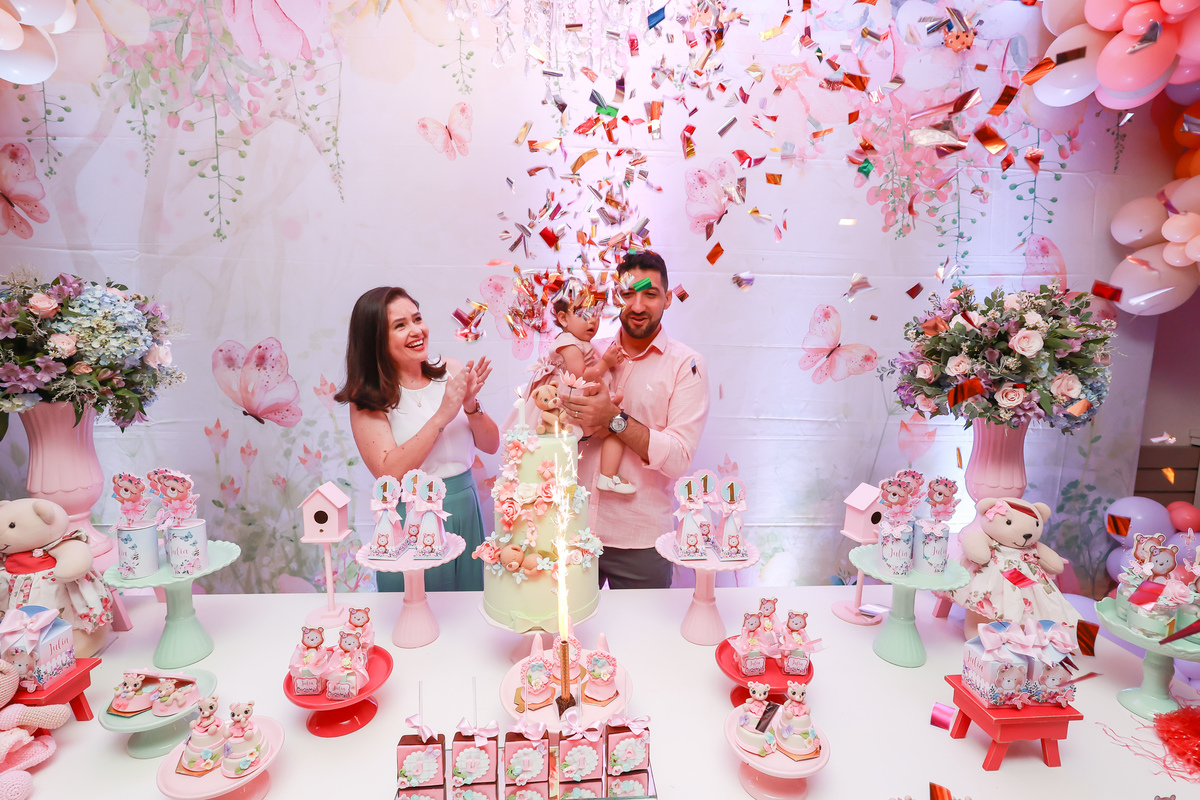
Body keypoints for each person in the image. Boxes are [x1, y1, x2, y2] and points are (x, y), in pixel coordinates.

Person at [562, 252, 710, 589]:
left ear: (668, 299)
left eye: (650, 294)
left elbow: (677, 459)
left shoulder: (687, 365)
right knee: (566, 637)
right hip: (573, 530)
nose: (638, 305)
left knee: (644, 639)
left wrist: (613, 419)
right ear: (618, 296)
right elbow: (555, 423)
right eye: (629, 294)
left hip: (641, 542)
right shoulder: (587, 354)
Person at [336, 286, 498, 592]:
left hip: (465, 504)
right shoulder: (367, 399)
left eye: (417, 318)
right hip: (412, 517)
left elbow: (491, 445)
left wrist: (470, 407)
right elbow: (387, 472)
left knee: (467, 609)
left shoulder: (450, 370)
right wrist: (442, 416)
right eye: (400, 325)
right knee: (420, 614)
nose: (416, 330)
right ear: (375, 340)